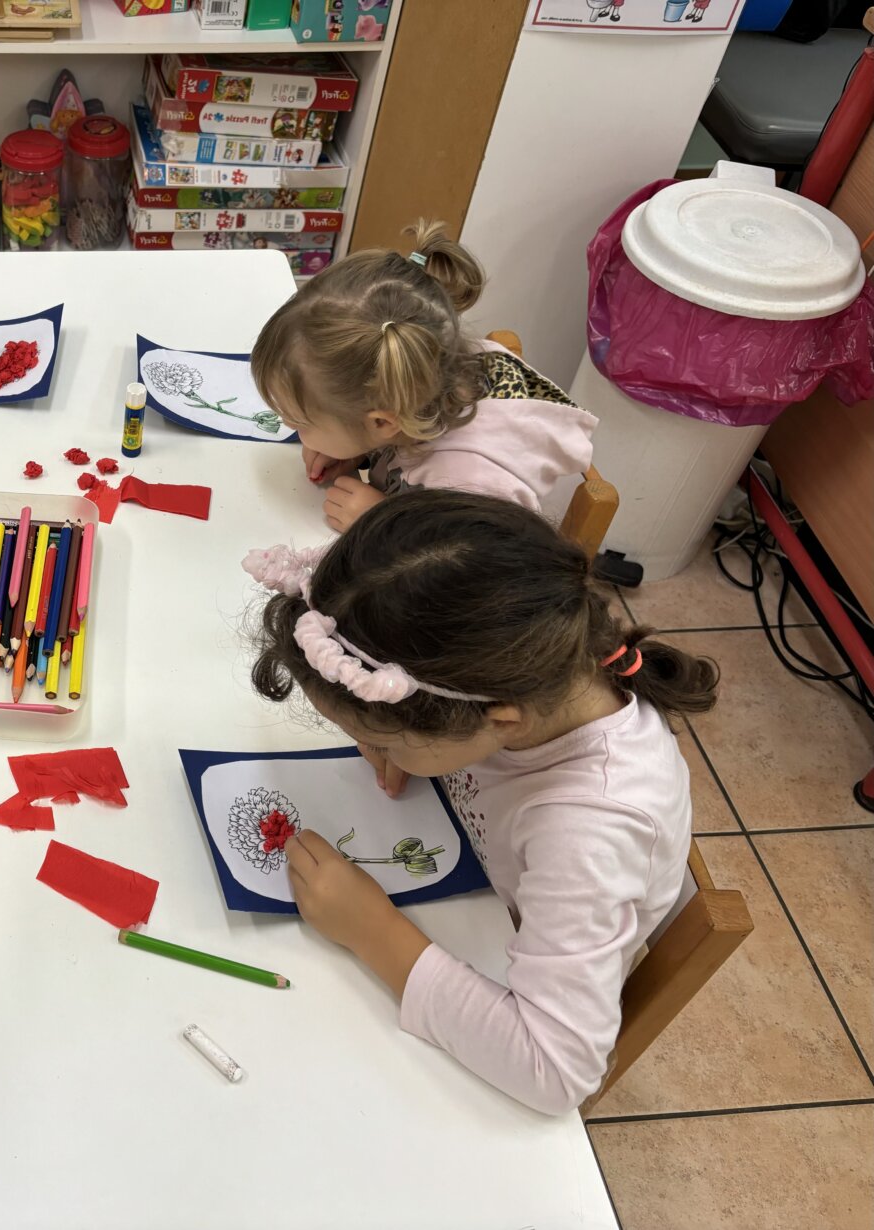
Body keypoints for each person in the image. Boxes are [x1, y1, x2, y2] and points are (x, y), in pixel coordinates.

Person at [244, 491, 719, 1113]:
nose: (372, 748)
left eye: (384, 738)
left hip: (512, 958)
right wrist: (404, 744)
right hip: (476, 891)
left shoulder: (589, 835)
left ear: (500, 720)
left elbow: (558, 1072)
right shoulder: (527, 675)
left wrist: (373, 932)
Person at [249, 220, 597, 534]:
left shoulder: (472, 485)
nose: (286, 424)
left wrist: (383, 522)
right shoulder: (418, 367)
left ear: (383, 422)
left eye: (300, 420)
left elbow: (473, 572)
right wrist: (359, 446)